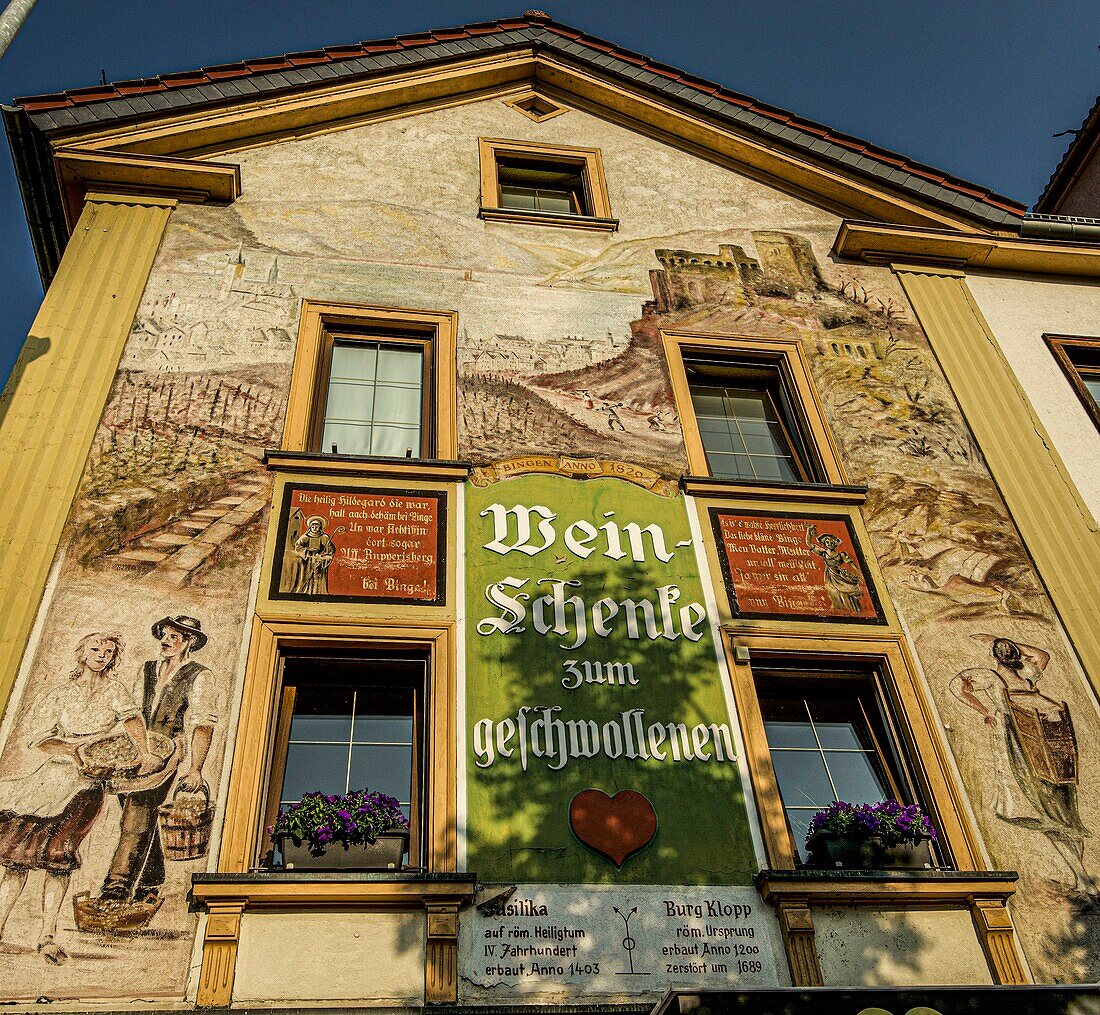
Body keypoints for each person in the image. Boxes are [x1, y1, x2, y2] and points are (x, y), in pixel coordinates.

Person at [0, 634, 157, 963]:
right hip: (51, 781)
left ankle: (47, 935)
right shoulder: (61, 693)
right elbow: (40, 740)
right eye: (95, 649)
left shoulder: (114, 690)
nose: (101, 656)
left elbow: (132, 720)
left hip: (87, 786)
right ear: (82, 653)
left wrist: (142, 751)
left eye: (108, 652)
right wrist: (73, 749)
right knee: (19, 858)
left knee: (59, 858)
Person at [951, 635, 1094, 897]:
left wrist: (985, 711)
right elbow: (1043, 656)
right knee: (1063, 816)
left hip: (1025, 750)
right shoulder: (1028, 675)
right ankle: (1083, 878)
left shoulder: (992, 677)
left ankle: (1083, 879)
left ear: (996, 658)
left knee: (1052, 817)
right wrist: (1006, 642)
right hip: (1051, 750)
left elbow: (957, 686)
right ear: (1017, 656)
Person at [97, 616, 217, 910]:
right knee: (137, 813)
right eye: (164, 635)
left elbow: (202, 725)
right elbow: (132, 712)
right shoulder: (148, 670)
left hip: (167, 752)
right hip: (137, 750)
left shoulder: (199, 676)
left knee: (136, 815)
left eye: (174, 637)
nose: (165, 641)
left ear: (188, 642)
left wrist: (195, 769)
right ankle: (151, 881)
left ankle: (116, 886)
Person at [806, 524, 864, 612]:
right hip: (830, 576)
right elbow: (809, 543)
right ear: (824, 544)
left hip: (841, 575)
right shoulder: (823, 553)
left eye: (832, 542)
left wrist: (860, 574)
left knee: (847, 592)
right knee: (834, 593)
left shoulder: (842, 554)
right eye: (828, 542)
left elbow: (852, 565)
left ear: (835, 543)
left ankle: (851, 610)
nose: (830, 544)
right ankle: (840, 610)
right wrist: (808, 531)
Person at [291, 516, 336, 595]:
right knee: (307, 575)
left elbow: (331, 549)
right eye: (313, 526)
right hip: (307, 560)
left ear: (320, 527)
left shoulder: (324, 537)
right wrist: (307, 551)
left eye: (317, 527)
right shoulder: (305, 537)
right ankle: (305, 591)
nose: (315, 528)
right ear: (310, 527)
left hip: (319, 560)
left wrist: (324, 555)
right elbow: (298, 547)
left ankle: (318, 591)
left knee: (318, 576)